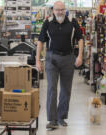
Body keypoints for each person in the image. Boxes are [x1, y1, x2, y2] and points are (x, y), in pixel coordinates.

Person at [36, 1, 83, 129]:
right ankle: (52, 119)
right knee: (52, 88)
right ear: (53, 10)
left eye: (62, 9)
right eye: (57, 9)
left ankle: (61, 117)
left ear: (65, 10)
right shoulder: (48, 22)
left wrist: (80, 56)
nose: (60, 12)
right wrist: (37, 60)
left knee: (66, 89)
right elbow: (41, 41)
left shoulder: (73, 22)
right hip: (52, 58)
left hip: (69, 58)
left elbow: (80, 38)